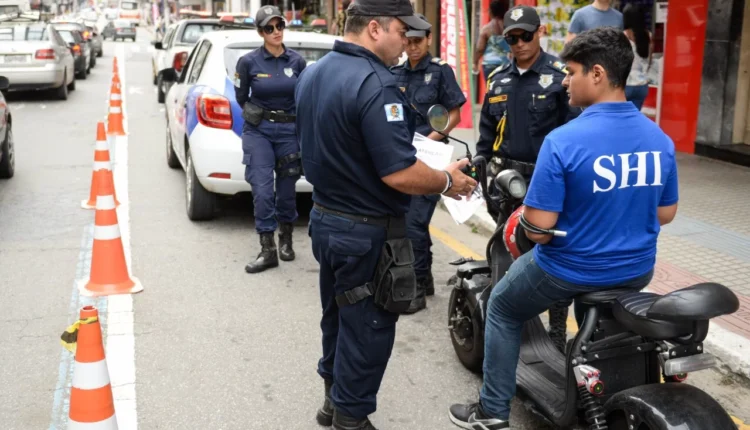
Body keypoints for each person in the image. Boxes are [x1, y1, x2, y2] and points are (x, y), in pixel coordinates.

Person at [448, 27, 679, 429]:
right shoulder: (658, 138)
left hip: (570, 267)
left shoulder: (564, 140)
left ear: (598, 74)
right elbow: (665, 213)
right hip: (636, 269)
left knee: (501, 306)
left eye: (571, 72)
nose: (564, 80)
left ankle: (492, 412)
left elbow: (537, 229)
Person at [294, 0, 478, 428]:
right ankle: (351, 418)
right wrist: (447, 179)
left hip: (326, 219)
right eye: (402, 31)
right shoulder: (376, 84)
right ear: (375, 29)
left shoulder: (314, 73)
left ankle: (333, 402)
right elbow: (399, 173)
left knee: (338, 313)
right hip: (366, 230)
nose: (406, 42)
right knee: (369, 328)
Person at [476, 5, 579, 351]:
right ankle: (510, 322)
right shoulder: (497, 79)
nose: (518, 43)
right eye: (511, 38)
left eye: (525, 36)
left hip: (546, 182)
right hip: (506, 179)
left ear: (540, 32)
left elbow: (573, 134)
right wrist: (481, 173)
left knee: (551, 254)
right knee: (505, 251)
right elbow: (486, 136)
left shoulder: (560, 76)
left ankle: (555, 331)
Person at [390, 13, 467, 313]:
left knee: (415, 222)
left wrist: (429, 140)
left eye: (418, 41)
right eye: (407, 42)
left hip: (431, 155)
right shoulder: (396, 73)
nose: (412, 48)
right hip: (402, 156)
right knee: (408, 221)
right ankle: (426, 277)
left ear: (429, 39)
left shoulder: (440, 72)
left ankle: (417, 286)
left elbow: (455, 115)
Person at [235, 6, 307, 274]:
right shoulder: (248, 62)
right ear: (260, 32)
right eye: (269, 28)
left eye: (279, 26)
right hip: (259, 131)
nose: (276, 32)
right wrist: (261, 117)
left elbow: (304, 97)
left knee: (287, 192)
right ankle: (267, 249)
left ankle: (286, 239)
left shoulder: (297, 61)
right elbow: (242, 96)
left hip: (289, 131)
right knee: (263, 189)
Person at [473, 0, 512, 81]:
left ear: (491, 11)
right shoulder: (510, 28)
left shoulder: (486, 29)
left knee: (491, 90)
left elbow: (480, 49)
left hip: (489, 66)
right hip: (507, 65)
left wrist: (475, 62)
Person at [623, 3, 652, 110]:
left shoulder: (623, 36)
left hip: (626, 84)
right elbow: (649, 61)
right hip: (642, 85)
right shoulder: (648, 35)